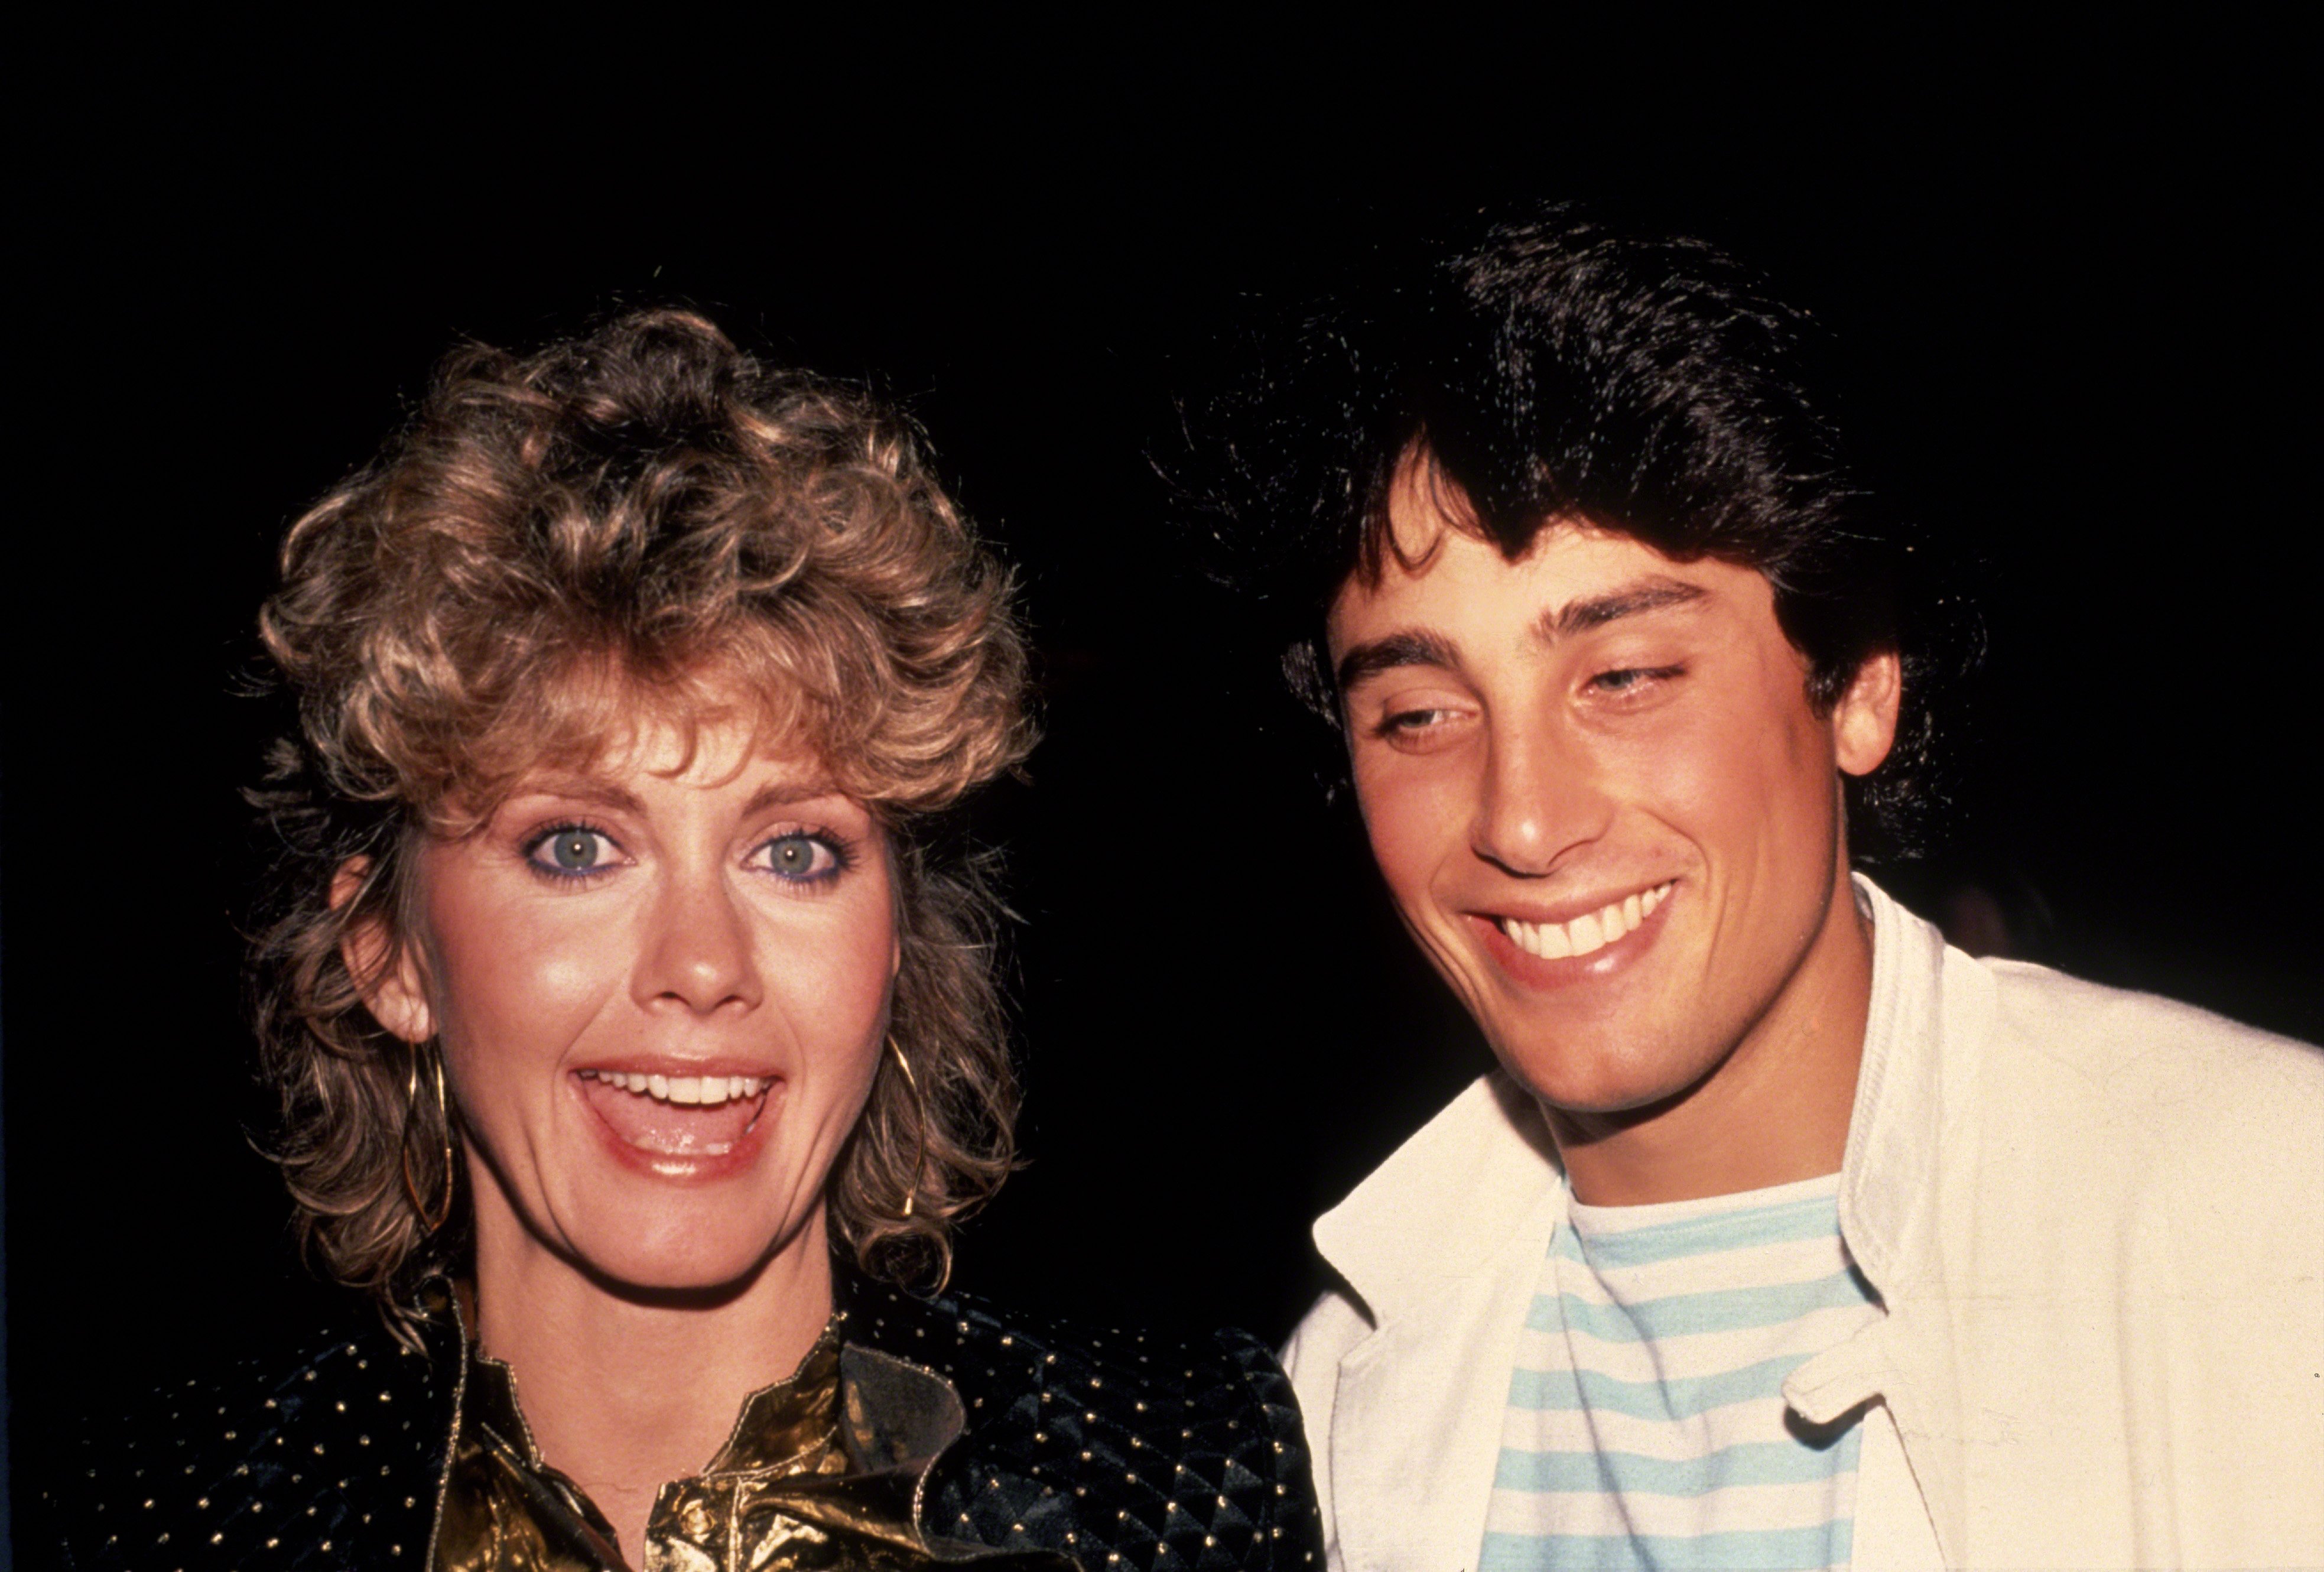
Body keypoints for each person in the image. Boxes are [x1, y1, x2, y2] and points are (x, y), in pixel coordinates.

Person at [45, 310, 1324, 1570]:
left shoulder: (1186, 1481)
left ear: (894, 946)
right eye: (576, 847)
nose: (704, 964)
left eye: (795, 852)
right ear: (387, 950)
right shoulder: (141, 1518)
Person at [1192, 207, 2324, 1568]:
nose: (1523, 818)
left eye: (1622, 678)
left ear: (1855, 689)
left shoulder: (2266, 1222)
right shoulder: (1338, 1383)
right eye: (1421, 714)